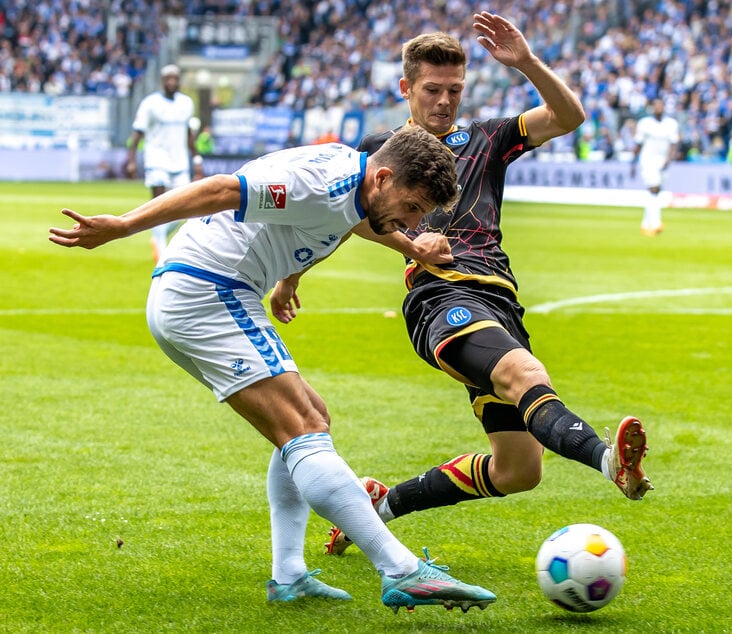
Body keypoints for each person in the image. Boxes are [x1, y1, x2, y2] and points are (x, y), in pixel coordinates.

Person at [49, 126, 496, 614]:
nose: (412, 221)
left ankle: (289, 577)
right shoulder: (319, 185)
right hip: (206, 291)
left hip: (213, 290)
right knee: (303, 429)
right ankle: (402, 569)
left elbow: (343, 221)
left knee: (311, 419)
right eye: (412, 209)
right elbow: (222, 189)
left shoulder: (358, 183)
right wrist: (123, 226)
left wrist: (294, 279)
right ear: (384, 176)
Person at [323, 13, 653, 557]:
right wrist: (406, 248)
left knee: (518, 470)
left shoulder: (487, 137)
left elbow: (569, 116)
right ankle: (607, 461)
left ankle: (379, 506)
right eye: (432, 90)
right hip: (440, 297)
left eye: (454, 90)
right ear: (406, 88)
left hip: (499, 300)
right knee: (524, 374)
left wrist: (525, 63)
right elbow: (344, 215)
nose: (444, 101)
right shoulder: (381, 150)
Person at [125, 64, 205, 263]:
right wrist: (131, 160)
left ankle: (157, 236)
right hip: (156, 159)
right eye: (168, 78)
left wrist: (196, 160)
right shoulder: (150, 103)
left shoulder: (186, 103)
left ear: (179, 81)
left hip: (179, 162)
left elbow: (188, 135)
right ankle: (161, 255)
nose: (171, 82)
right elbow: (137, 133)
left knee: (187, 207)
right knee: (159, 204)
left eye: (175, 78)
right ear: (162, 80)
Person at [631, 97, 679, 236]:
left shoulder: (671, 124)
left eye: (661, 106)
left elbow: (673, 143)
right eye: (656, 106)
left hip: (662, 160)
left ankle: (645, 224)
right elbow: (638, 144)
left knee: (656, 192)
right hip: (648, 159)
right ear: (652, 108)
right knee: (654, 188)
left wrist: (669, 159)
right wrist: (633, 163)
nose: (659, 108)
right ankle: (657, 223)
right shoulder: (644, 123)